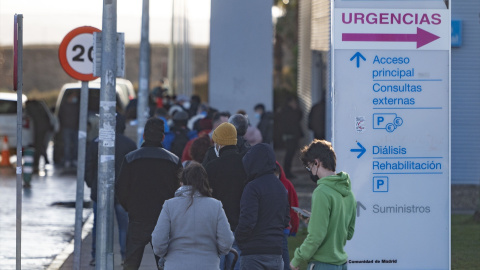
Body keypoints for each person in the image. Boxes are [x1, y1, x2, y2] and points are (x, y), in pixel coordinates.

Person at [116, 117, 182, 270]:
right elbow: (179, 191)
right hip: (163, 220)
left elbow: (120, 188)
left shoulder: (131, 159)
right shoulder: (173, 160)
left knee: (131, 263)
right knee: (165, 263)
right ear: (163, 137)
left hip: (137, 218)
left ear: (144, 136)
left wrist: (130, 207)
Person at [151, 161, 234, 270]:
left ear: (182, 182)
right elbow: (226, 241)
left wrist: (166, 255)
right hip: (208, 264)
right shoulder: (215, 205)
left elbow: (158, 242)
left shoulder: (169, 205)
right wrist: (216, 252)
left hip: (176, 264)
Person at [290, 139, 357, 270]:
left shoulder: (321, 192)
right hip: (341, 264)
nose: (310, 171)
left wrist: (297, 259)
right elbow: (348, 233)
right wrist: (314, 220)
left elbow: (316, 236)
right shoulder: (349, 193)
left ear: (317, 163)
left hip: (322, 264)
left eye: (309, 167)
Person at [85, 113, 137, 266]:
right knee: (124, 227)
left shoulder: (96, 143)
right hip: (123, 194)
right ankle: (125, 256)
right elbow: (133, 170)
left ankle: (96, 255)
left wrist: (92, 185)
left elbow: (88, 167)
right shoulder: (129, 144)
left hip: (99, 192)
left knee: (98, 226)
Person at [235, 143, 290, 270]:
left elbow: (247, 221)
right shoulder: (280, 187)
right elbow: (286, 219)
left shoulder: (252, 187)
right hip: (276, 251)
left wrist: (239, 239)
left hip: (253, 252)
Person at [205, 122, 248, 270]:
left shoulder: (211, 167)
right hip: (242, 224)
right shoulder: (246, 164)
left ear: (219, 143)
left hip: (218, 226)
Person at [274, 162, 300, 270]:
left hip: (282, 227)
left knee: (283, 253)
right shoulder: (286, 185)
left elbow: (293, 206)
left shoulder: (287, 185)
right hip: (276, 227)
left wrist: (294, 227)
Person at [278, 97, 304, 178]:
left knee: (290, 154)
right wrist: (296, 109)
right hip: (291, 135)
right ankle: (287, 172)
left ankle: (287, 171)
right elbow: (298, 117)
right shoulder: (290, 112)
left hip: (289, 135)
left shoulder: (284, 111)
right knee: (289, 154)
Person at [58, 91, 80, 168]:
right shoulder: (64, 105)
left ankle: (74, 159)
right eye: (74, 96)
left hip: (75, 128)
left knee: (76, 145)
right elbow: (59, 116)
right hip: (66, 128)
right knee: (67, 145)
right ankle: (67, 160)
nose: (75, 98)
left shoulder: (76, 106)